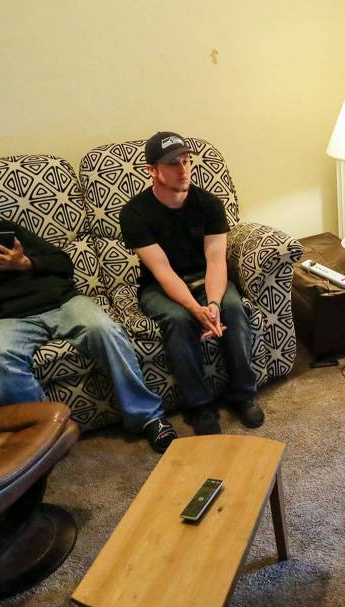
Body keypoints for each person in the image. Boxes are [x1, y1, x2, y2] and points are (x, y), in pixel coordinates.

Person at [0, 177, 177, 453]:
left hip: (63, 303)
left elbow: (63, 264)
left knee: (106, 329)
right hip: (6, 320)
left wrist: (26, 263)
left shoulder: (5, 231)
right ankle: (43, 437)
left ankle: (148, 417)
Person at [120, 131, 263, 435]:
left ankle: (243, 395)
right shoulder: (134, 213)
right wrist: (195, 309)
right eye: (173, 164)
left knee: (233, 309)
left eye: (186, 161)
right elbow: (162, 271)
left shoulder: (208, 203)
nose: (183, 169)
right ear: (153, 170)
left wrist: (212, 304)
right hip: (160, 286)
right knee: (178, 318)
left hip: (205, 278)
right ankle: (199, 405)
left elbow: (215, 260)